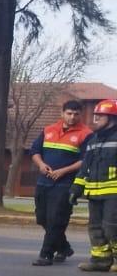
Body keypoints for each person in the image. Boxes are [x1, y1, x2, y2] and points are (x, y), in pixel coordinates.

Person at [28, 101, 92, 265]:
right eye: (69, 113)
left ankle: (46, 255)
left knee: (56, 219)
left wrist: (63, 171)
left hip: (66, 184)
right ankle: (63, 247)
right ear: (62, 113)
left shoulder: (86, 134)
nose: (72, 117)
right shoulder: (48, 130)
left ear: (81, 114)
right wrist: (41, 165)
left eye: (76, 114)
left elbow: (86, 160)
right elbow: (35, 151)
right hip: (44, 182)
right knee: (42, 218)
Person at [71, 98, 117, 272]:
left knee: (112, 227)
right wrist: (76, 189)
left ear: (112, 119)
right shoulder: (93, 141)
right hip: (94, 193)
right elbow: (85, 168)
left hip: (114, 194)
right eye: (95, 116)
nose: (94, 120)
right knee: (95, 227)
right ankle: (100, 260)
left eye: (100, 116)